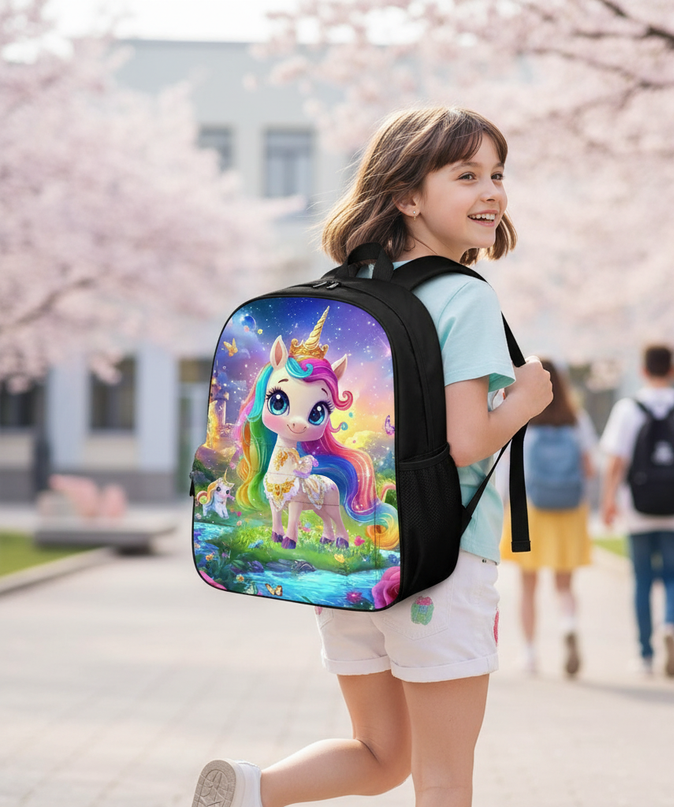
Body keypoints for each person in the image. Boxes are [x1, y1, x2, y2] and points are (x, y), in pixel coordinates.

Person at [192, 107, 553, 807]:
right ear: (407, 196)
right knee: (443, 777)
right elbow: (467, 441)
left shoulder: (349, 289)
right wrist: (527, 397)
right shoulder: (462, 296)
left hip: (356, 567)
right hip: (441, 565)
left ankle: (249, 790)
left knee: (380, 755)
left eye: (497, 174)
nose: (491, 192)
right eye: (467, 175)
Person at [599, 345, 674, 677]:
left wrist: (608, 501)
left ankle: (646, 654)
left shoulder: (628, 408)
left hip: (638, 508)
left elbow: (616, 461)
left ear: (643, 371)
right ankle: (671, 624)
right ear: (673, 370)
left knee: (642, 580)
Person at [500, 359, 597, 677]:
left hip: (530, 508)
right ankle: (569, 624)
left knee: (528, 586)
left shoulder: (523, 415)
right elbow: (591, 468)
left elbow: (506, 470)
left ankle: (529, 655)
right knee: (565, 583)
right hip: (569, 509)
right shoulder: (576, 419)